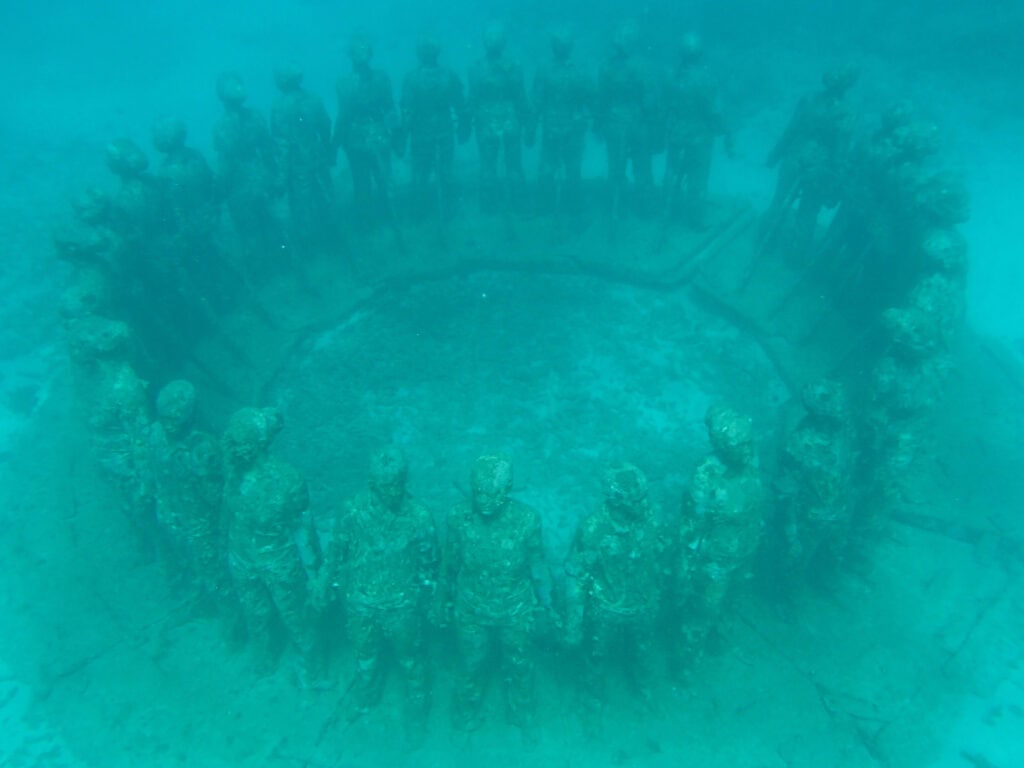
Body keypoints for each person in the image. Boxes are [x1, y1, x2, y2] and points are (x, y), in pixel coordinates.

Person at [316, 447, 437, 744]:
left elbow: (429, 563)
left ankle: (416, 707)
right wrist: (325, 585)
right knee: (365, 654)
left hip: (401, 606)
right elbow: (336, 553)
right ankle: (366, 695)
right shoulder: (352, 511)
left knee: (410, 658)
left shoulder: (420, 516)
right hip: (360, 603)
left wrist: (427, 599)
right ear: (373, 483)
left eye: (398, 483)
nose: (394, 491)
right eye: (386, 485)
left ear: (405, 480)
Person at [438, 455, 547, 737]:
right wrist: (440, 600)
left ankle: (522, 713)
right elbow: (449, 564)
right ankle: (465, 715)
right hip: (471, 608)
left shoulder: (527, 520)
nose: (484, 500)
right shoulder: (458, 517)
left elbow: (537, 567)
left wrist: (549, 605)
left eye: (492, 493)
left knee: (519, 662)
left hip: (516, 609)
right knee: (472, 662)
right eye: (478, 492)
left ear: (508, 488)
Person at [563, 464, 672, 723]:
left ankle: (645, 692)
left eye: (644, 496)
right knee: (596, 656)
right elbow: (577, 578)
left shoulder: (653, 517)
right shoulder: (593, 529)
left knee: (644, 652)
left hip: (643, 604)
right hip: (605, 608)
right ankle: (593, 701)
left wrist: (664, 593)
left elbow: (663, 556)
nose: (643, 503)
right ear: (615, 499)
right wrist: (573, 624)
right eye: (636, 499)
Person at [223, 407, 323, 684]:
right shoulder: (231, 471)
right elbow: (227, 515)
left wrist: (315, 574)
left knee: (295, 616)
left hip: (278, 562)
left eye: (241, 442)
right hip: (242, 558)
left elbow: (303, 530)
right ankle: (263, 659)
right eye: (232, 440)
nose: (233, 447)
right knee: (254, 612)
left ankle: (311, 667)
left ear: (258, 444)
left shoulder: (287, 480)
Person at [676, 405, 764, 675]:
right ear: (724, 447)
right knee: (704, 610)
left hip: (745, 550)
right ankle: (686, 662)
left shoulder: (751, 461)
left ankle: (721, 642)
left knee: (734, 601)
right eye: (740, 445)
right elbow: (691, 526)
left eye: (749, 442)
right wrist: (687, 567)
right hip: (715, 562)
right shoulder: (707, 475)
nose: (747, 449)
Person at [149, 380, 235, 614]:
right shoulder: (202, 448)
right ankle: (233, 622)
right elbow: (216, 493)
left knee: (199, 562)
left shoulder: (155, 434)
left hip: (175, 513)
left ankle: (203, 595)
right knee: (216, 569)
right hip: (200, 521)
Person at [761, 65, 858, 259]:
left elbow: (791, 130)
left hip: (793, 158)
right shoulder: (847, 113)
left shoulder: (809, 99)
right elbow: (841, 150)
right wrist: (837, 179)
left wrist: (775, 155)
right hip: (818, 168)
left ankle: (765, 242)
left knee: (779, 200)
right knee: (808, 209)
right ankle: (795, 255)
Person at [775, 380, 858, 586]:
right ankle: (788, 598)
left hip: (839, 510)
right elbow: (787, 493)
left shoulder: (845, 432)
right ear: (816, 409)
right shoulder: (798, 444)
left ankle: (827, 581)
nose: (839, 404)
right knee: (797, 562)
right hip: (811, 518)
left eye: (839, 397)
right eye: (829, 400)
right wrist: (791, 531)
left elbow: (848, 468)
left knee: (834, 552)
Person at [212, 72, 282, 271]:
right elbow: (269, 150)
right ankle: (284, 262)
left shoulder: (220, 128)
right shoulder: (256, 115)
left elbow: (225, 165)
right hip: (260, 176)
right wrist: (275, 177)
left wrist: (218, 193)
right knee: (270, 220)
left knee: (248, 231)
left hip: (239, 186)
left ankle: (262, 273)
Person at [662, 33, 732, 228]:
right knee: (697, 178)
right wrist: (726, 133)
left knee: (673, 173)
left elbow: (664, 106)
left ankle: (669, 211)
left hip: (676, 133)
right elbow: (715, 112)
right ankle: (695, 220)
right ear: (700, 54)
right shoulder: (707, 79)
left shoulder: (670, 76)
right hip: (699, 138)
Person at [400, 37, 470, 222]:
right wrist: (464, 127)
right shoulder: (449, 75)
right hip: (444, 132)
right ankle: (450, 211)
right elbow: (461, 106)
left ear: (419, 54)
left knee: (420, 174)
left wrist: (402, 136)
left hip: (421, 134)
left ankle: (420, 213)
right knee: (446, 172)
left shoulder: (411, 78)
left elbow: (407, 111)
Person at [595, 22, 658, 219]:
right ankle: (645, 211)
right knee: (642, 169)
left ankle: (615, 208)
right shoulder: (645, 66)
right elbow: (649, 102)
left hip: (614, 124)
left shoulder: (606, 67)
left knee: (615, 168)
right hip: (638, 125)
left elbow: (601, 100)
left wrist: (599, 125)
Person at [334, 35, 399, 226]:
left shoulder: (343, 83)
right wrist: (397, 137)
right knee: (385, 180)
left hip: (356, 141)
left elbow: (343, 117)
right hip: (380, 136)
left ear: (350, 57)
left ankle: (366, 224)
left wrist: (335, 144)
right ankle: (392, 218)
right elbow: (390, 110)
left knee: (362, 184)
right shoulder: (382, 77)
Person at [467, 22, 530, 213]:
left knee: (487, 165)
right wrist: (528, 123)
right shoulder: (514, 66)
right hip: (510, 120)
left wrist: (469, 122)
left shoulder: (475, 67)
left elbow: (472, 99)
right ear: (503, 43)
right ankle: (518, 203)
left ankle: (488, 206)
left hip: (486, 121)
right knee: (514, 164)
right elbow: (520, 97)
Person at [270, 63, 335, 252]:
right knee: (326, 196)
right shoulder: (314, 99)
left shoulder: (279, 106)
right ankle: (334, 236)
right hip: (317, 156)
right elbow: (326, 125)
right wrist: (327, 150)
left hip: (296, 163)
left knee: (302, 205)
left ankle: (311, 247)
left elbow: (280, 143)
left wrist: (280, 177)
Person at [531, 27, 594, 216]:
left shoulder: (543, 69)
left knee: (549, 167)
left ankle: (546, 207)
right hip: (573, 127)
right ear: (571, 47)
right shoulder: (581, 71)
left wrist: (532, 127)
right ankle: (573, 209)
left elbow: (537, 100)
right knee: (572, 169)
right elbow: (590, 99)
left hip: (552, 126)